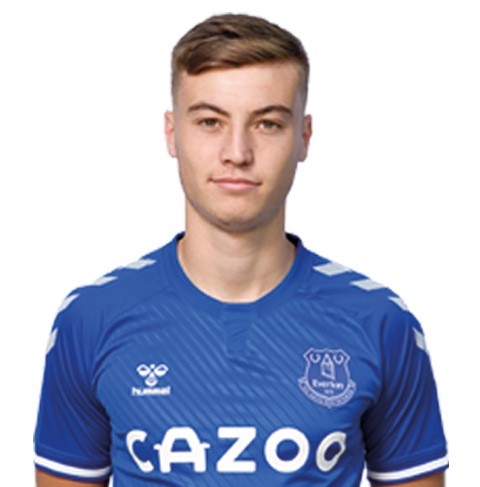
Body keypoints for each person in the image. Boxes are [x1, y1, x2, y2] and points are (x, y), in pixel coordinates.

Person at [33, 12, 448, 487]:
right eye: (210, 121)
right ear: (171, 133)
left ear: (304, 138)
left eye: (267, 124)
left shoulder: (381, 322)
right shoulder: (91, 318)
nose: (237, 152)